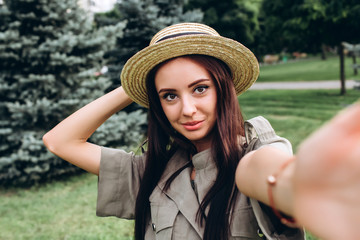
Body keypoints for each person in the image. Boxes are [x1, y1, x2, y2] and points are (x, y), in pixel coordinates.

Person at [43, 23, 360, 240]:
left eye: (199, 89)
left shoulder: (251, 153)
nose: (187, 109)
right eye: (170, 96)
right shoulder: (151, 171)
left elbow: (265, 172)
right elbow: (60, 141)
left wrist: (301, 184)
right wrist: (137, 82)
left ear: (224, 88)